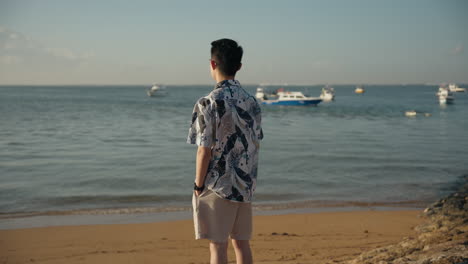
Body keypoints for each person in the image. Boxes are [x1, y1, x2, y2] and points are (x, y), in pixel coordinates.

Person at [187, 38, 263, 264]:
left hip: (217, 185)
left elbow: (204, 150)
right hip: (244, 183)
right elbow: (254, 143)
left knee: (217, 247)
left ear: (212, 64)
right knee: (241, 243)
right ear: (239, 67)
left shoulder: (208, 103)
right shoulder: (252, 102)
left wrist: (198, 185)